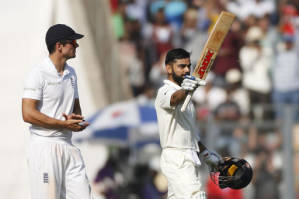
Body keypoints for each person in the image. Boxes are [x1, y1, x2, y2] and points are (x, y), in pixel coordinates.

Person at [22, 24, 93, 199]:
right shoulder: (38, 73)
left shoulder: (72, 73)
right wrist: (63, 123)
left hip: (67, 146)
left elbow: (75, 106)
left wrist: (74, 118)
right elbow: (27, 114)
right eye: (73, 42)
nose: (76, 45)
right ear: (59, 46)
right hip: (44, 148)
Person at [154, 48, 222, 199]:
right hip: (176, 157)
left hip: (189, 156)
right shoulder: (164, 91)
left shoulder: (187, 96)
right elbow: (173, 99)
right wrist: (185, 90)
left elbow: (190, 131)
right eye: (181, 66)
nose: (186, 70)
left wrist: (205, 153)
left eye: (188, 66)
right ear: (168, 68)